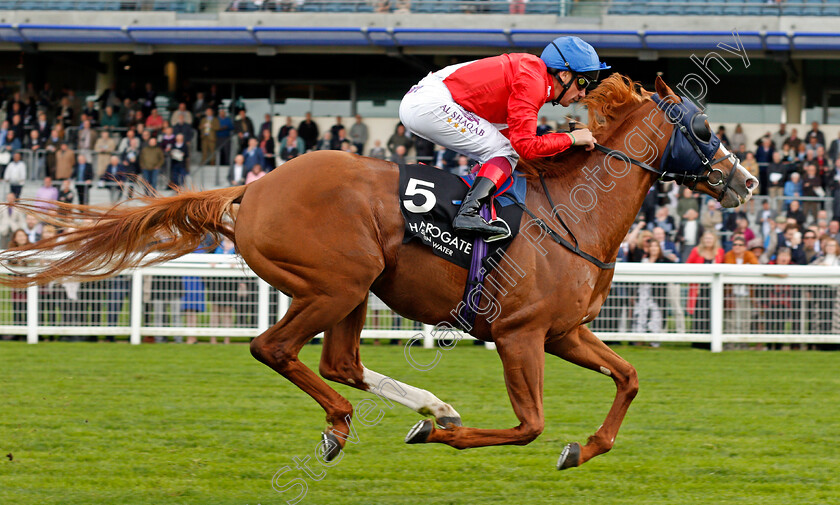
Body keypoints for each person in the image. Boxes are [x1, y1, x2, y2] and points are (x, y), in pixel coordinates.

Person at [399, 36, 604, 238]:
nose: (583, 93)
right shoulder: (533, 80)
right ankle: (467, 213)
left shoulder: (533, 74)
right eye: (582, 82)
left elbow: (516, 139)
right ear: (565, 75)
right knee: (505, 151)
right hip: (430, 103)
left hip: (429, 100)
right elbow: (526, 147)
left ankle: (475, 197)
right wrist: (572, 138)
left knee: (505, 148)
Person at [723, 235, 759, 335]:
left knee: (745, 318)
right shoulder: (728, 255)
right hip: (732, 294)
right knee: (730, 319)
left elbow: (756, 267)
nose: (737, 247)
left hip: (746, 294)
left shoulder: (749, 255)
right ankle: (730, 342)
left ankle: (743, 342)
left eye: (740, 245)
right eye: (735, 244)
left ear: (745, 247)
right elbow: (730, 271)